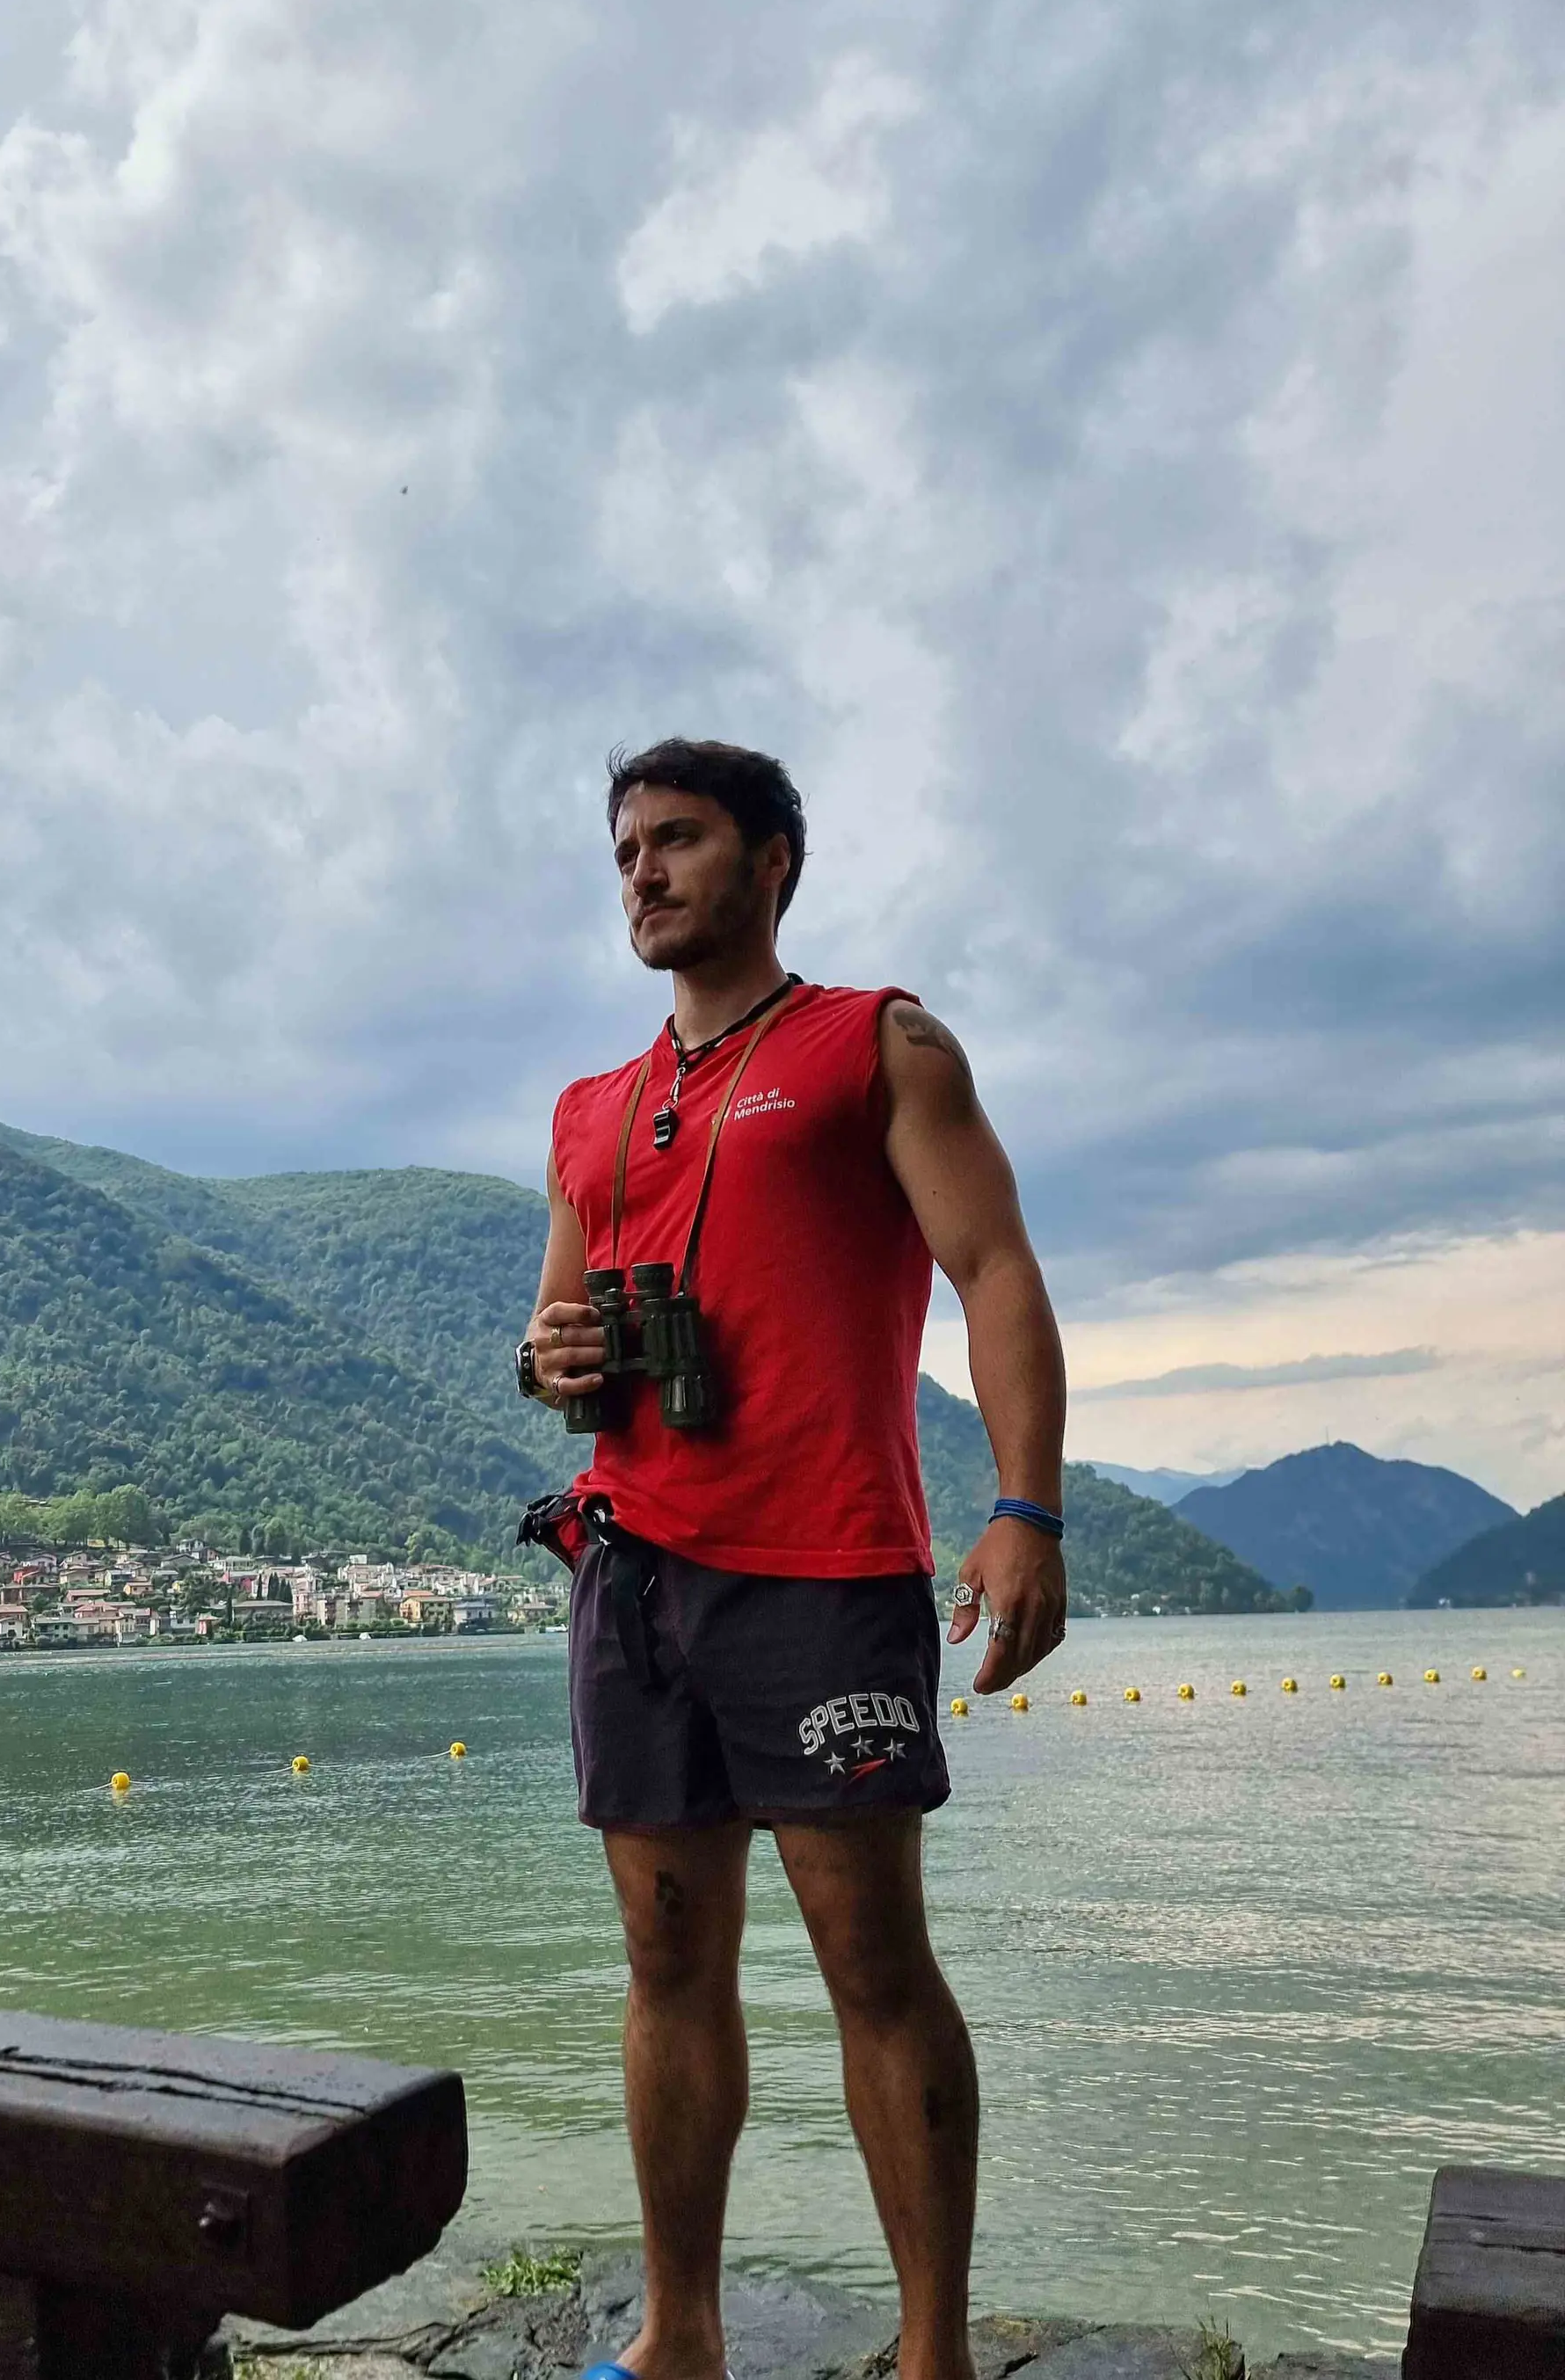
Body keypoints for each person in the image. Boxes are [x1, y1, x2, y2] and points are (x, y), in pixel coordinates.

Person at [517, 739, 1066, 2380]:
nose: (643, 871)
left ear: (772, 861)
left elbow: (994, 1267)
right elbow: (556, 1330)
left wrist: (1026, 1508)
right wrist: (551, 1357)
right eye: (626, 850)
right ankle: (679, 2335)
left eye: (677, 839)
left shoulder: (877, 1042)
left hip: (824, 1569)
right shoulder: (589, 1111)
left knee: (874, 1966)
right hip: (632, 1575)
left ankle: (932, 2355)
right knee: (666, 1963)